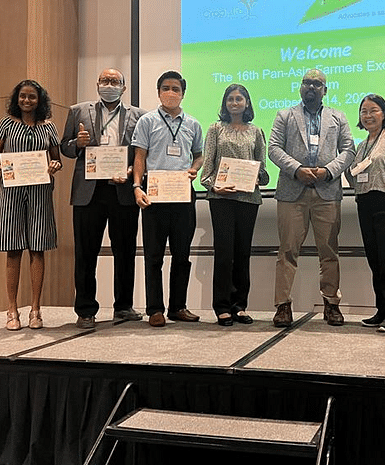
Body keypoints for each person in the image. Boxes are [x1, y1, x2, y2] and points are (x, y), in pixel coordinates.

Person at [268, 69, 356, 327]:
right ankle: (282, 306)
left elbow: (349, 149)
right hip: (291, 192)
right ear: (300, 88)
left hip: (327, 192)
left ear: (325, 90)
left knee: (329, 251)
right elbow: (274, 148)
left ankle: (331, 304)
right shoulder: (285, 115)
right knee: (287, 251)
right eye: (307, 82)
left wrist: (329, 171)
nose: (311, 86)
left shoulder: (338, 117)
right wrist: (297, 169)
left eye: (317, 83)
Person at [60, 68, 146, 329]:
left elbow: (141, 153)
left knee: (125, 251)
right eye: (105, 81)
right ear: (97, 84)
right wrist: (78, 142)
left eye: (114, 81)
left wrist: (132, 171)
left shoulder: (139, 116)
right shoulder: (78, 111)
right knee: (86, 253)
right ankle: (85, 309)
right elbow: (65, 147)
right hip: (89, 192)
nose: (109, 85)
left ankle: (123, 306)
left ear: (123, 87)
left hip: (122, 190)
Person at [0, 80, 62, 331]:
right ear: (16, 98)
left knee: (38, 249)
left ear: (40, 100)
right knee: (13, 249)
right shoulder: (6, 123)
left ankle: (36, 309)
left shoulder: (49, 127)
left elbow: (56, 159)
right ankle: (11, 309)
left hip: (40, 192)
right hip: (11, 192)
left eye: (32, 97)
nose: (27, 101)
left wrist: (54, 166)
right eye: (22, 96)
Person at [132, 71, 203, 327]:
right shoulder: (147, 121)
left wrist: (195, 168)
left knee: (182, 254)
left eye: (175, 88)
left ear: (183, 93)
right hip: (154, 192)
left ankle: (178, 307)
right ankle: (154, 309)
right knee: (154, 255)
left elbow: (198, 155)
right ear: (158, 91)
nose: (170, 92)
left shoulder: (193, 124)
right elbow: (139, 157)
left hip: (183, 192)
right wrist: (137, 186)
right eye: (166, 88)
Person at [200, 84, 269, 326]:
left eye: (240, 98)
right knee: (224, 254)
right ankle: (222, 307)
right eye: (230, 99)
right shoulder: (215, 129)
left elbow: (264, 170)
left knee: (242, 254)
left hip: (248, 200)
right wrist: (214, 186)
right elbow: (206, 171)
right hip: (221, 200)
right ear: (225, 103)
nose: (235, 102)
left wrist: (256, 176)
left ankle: (240, 305)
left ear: (247, 103)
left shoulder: (256, 131)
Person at [345, 95, 385, 333]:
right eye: (364, 111)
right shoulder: (361, 145)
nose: (368, 115)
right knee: (376, 261)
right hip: (365, 204)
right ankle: (381, 310)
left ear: (384, 113)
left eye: (374, 110)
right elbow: (353, 176)